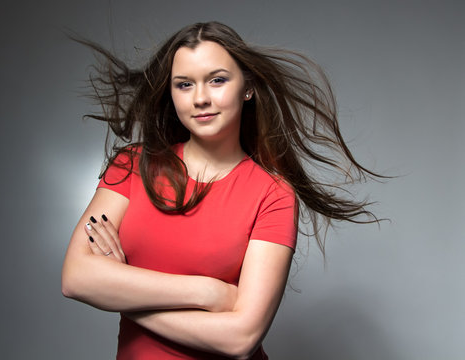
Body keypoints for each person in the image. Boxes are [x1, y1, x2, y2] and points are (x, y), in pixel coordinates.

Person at [62, 22, 381, 359]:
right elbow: (75, 277)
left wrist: (119, 289)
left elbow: (241, 339)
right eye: (184, 84)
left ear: (248, 87)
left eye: (217, 80)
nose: (201, 98)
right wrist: (207, 292)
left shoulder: (273, 195)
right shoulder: (132, 165)